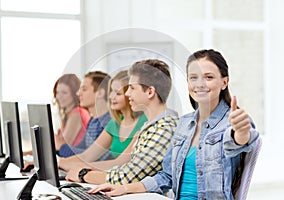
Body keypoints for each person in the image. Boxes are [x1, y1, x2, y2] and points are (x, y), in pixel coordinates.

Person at [89, 49, 261, 200]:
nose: (199, 84)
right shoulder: (184, 124)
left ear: (224, 82)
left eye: (208, 77)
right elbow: (166, 176)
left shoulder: (232, 121)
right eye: (194, 78)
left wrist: (241, 134)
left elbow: (242, 140)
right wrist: (124, 189)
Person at [62, 59, 179, 185]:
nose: (127, 93)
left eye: (132, 88)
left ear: (150, 92)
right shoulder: (149, 126)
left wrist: (83, 174)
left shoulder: (165, 128)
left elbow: (126, 177)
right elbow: (124, 168)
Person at [58, 70, 147, 169]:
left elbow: (120, 163)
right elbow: (87, 155)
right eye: (111, 91)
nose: (111, 96)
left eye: (118, 93)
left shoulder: (144, 122)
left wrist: (78, 167)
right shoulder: (114, 123)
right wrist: (58, 162)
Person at [55, 71, 112, 158]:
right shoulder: (93, 121)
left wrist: (61, 146)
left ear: (100, 93)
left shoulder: (108, 122)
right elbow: (81, 149)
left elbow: (93, 157)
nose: (78, 93)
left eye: (84, 89)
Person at [52, 73, 90, 146]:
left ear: (75, 93)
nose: (59, 97)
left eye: (64, 93)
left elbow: (62, 146)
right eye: (57, 92)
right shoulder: (69, 114)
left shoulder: (77, 113)